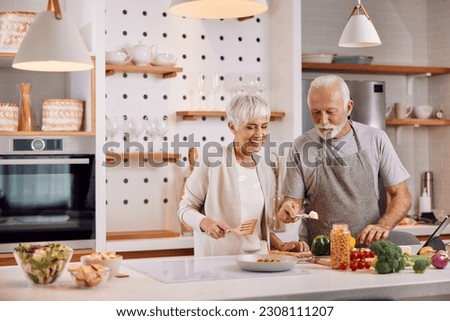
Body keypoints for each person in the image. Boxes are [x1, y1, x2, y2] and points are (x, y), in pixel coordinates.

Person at [278, 74, 412, 246]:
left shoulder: (375, 139)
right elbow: (292, 201)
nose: (323, 120)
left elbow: (402, 195)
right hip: (318, 253)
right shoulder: (300, 146)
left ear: (348, 108)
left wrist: (383, 225)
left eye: (331, 112)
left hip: (367, 251)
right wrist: (287, 209)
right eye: (316, 112)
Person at [178, 94, 309, 256]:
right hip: (218, 265)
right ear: (232, 127)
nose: (259, 134)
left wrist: (281, 245)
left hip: (257, 262)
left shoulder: (264, 167)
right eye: (251, 127)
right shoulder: (211, 162)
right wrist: (206, 223)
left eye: (264, 126)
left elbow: (256, 229)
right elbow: (185, 209)